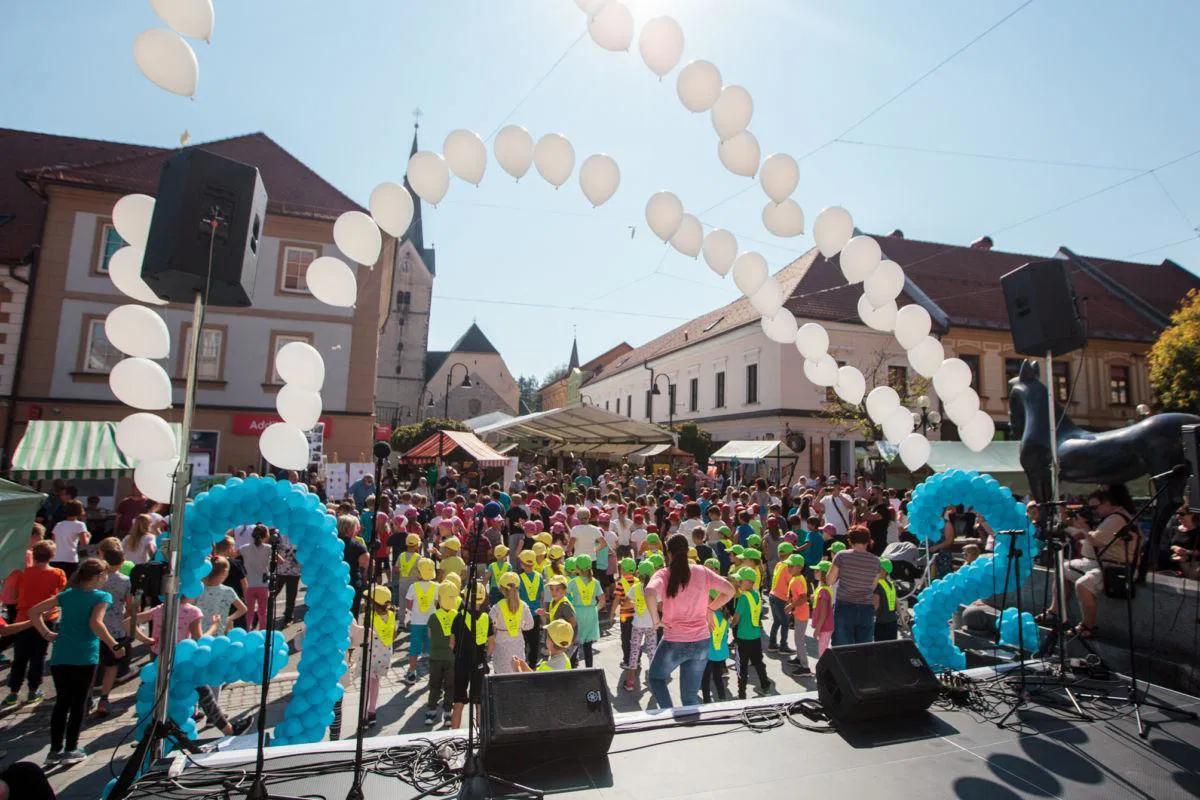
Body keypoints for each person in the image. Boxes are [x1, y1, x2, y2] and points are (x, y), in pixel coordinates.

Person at [28, 558, 122, 765]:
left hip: (61, 655)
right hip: (84, 655)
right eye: (104, 575)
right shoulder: (101, 596)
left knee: (62, 702)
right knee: (78, 703)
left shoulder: (66, 595)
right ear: (98, 577)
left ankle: (54, 750)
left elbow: (33, 611)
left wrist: (45, 633)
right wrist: (114, 645)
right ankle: (71, 748)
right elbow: (96, 623)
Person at [644, 534, 734, 709]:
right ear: (687, 551)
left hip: (674, 641)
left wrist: (656, 620)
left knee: (656, 678)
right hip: (701, 641)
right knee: (690, 697)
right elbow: (729, 590)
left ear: (668, 553)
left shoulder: (663, 574)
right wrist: (711, 608)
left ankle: (668, 714)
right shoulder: (702, 571)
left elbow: (649, 592)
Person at [5, 541, 67, 705]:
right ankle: (33, 690)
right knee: (38, 656)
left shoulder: (22, 573)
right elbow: (61, 596)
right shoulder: (58, 573)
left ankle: (13, 691)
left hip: (23, 618)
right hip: (46, 618)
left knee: (20, 657)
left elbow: (16, 593)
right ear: (52, 556)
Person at [92, 542, 135, 717]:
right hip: (116, 628)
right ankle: (104, 697)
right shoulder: (125, 581)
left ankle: (88, 697)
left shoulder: (96, 579)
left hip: (95, 627)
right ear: (121, 562)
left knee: (94, 664)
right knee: (111, 666)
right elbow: (130, 604)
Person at [450, 582, 494, 729]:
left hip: (462, 662)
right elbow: (491, 643)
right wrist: (485, 657)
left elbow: (451, 643)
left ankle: (453, 736)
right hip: (479, 662)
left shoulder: (458, 617)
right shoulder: (486, 618)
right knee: (479, 702)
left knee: (458, 702)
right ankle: (480, 737)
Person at [828, 526, 881, 646]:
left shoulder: (841, 556)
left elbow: (830, 580)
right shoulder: (876, 561)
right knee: (863, 650)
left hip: (844, 607)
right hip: (866, 609)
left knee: (842, 649)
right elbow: (872, 586)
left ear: (850, 540)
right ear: (868, 541)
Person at [731, 566, 772, 699]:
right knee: (758, 662)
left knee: (742, 666)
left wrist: (731, 624)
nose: (738, 583)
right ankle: (765, 686)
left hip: (743, 637)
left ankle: (742, 694)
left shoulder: (743, 598)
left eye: (740, 581)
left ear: (750, 582)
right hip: (755, 635)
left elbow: (736, 618)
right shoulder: (756, 595)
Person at [360, 585, 395, 729]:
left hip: (371, 656)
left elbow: (363, 636)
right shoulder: (391, 615)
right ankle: (372, 713)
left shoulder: (370, 618)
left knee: (366, 686)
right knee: (375, 685)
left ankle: (363, 718)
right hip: (384, 655)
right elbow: (392, 634)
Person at [425, 581, 460, 726]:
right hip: (452, 658)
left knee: (435, 685)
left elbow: (429, 635)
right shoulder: (458, 615)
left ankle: (431, 711)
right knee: (450, 686)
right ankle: (447, 713)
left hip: (435, 657)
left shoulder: (433, 616)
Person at [621, 560, 656, 692]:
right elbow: (660, 606)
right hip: (651, 625)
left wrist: (636, 603)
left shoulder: (635, 588)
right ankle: (654, 681)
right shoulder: (654, 589)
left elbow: (625, 603)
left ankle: (630, 682)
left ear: (638, 573)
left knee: (634, 652)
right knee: (652, 652)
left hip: (637, 625)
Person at [488, 572, 532, 676]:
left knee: (501, 674)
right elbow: (530, 624)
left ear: (501, 589)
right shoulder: (523, 605)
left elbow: (488, 623)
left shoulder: (497, 607)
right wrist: (520, 626)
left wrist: (496, 627)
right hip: (518, 641)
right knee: (518, 672)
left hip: (501, 643)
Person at [404, 557, 438, 683]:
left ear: (419, 572)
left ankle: (412, 672)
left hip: (417, 621)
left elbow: (409, 604)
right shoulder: (436, 586)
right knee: (431, 648)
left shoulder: (413, 586)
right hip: (431, 623)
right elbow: (436, 602)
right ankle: (433, 673)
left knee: (414, 648)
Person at [567, 554, 604, 667]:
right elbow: (602, 600)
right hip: (591, 613)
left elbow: (566, 597)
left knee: (574, 643)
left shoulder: (573, 582)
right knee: (588, 645)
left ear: (577, 568)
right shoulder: (595, 582)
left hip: (577, 613)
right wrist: (594, 610)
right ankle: (589, 669)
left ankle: (573, 667)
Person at [239, 525, 274, 630]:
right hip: (263, 584)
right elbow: (281, 561)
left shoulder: (244, 548)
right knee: (263, 612)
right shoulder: (268, 548)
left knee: (249, 611)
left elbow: (232, 555)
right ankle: (263, 632)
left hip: (248, 584)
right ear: (266, 535)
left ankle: (247, 631)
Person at [783, 554, 812, 675]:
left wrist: (791, 605)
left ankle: (805, 667)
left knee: (799, 640)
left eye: (791, 566)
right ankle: (799, 659)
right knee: (797, 638)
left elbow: (803, 598)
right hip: (798, 613)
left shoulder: (798, 581)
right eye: (788, 565)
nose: (788, 567)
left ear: (799, 568)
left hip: (802, 614)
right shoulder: (796, 578)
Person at [516, 550, 544, 668]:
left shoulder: (519, 578)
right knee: (534, 640)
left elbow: (517, 598)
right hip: (536, 613)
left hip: (523, 614)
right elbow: (542, 596)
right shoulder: (539, 576)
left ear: (522, 564)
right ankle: (533, 664)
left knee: (523, 640)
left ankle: (522, 662)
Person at [767, 542, 796, 654]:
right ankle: (783, 646)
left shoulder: (779, 564)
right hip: (781, 598)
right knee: (784, 622)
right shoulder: (788, 567)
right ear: (790, 553)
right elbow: (791, 583)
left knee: (777, 621)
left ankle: (772, 644)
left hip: (772, 595)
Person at [49, 501, 89, 580]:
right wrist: (88, 536)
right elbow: (84, 543)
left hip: (56, 558)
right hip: (70, 558)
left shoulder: (58, 524)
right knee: (69, 583)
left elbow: (53, 542)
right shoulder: (80, 525)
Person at [702, 596, 731, 703]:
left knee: (705, 679)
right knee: (717, 678)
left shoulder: (707, 616)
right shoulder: (725, 616)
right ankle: (722, 697)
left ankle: (707, 700)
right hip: (720, 653)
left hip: (708, 654)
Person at [811, 561, 834, 657]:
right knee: (822, 649)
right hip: (825, 626)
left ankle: (824, 670)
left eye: (817, 571)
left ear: (824, 574)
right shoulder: (823, 588)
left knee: (822, 652)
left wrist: (817, 628)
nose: (814, 572)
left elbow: (823, 613)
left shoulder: (823, 591)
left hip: (824, 627)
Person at [873, 558, 899, 641]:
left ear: (883, 571)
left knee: (880, 648)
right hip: (893, 621)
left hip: (881, 622)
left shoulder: (877, 584)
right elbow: (896, 602)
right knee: (891, 648)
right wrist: (902, 620)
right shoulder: (891, 585)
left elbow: (876, 604)